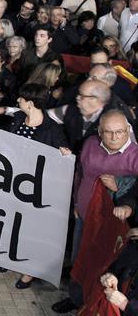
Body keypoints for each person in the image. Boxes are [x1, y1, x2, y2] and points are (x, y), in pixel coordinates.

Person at [52, 110, 138, 314]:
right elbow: (80, 174)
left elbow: (135, 193)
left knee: (104, 267)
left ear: (128, 130)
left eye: (119, 132)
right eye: (108, 132)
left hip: (113, 225)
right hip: (83, 216)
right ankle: (75, 298)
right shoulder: (90, 144)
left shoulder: (136, 156)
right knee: (79, 260)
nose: (114, 137)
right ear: (100, 132)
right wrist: (76, 203)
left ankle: (93, 302)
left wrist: (121, 186)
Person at [0, 83, 68, 288]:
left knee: (29, 228)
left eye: (21, 99)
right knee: (10, 221)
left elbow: (62, 155)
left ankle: (29, 271)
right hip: (12, 181)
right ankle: (8, 257)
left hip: (35, 188)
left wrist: (65, 154)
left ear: (29, 103)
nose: (17, 101)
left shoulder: (52, 130)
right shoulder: (19, 118)